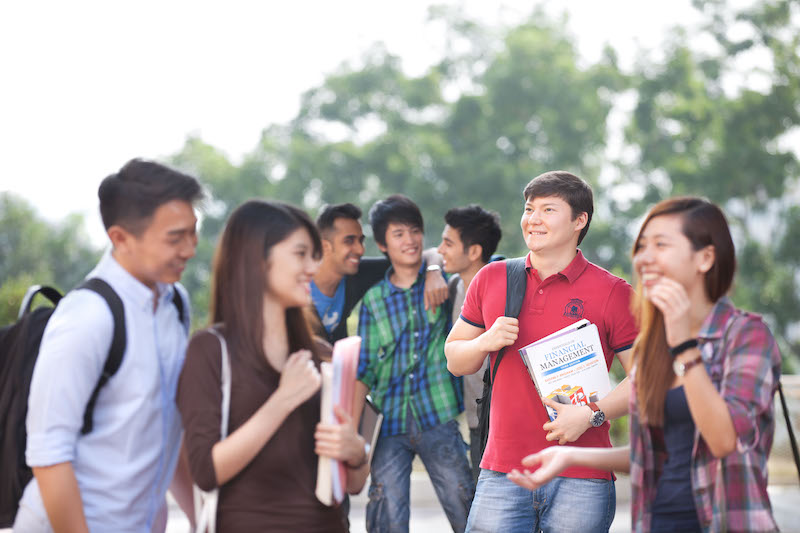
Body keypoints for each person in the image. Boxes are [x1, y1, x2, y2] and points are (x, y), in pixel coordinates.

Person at [509, 197, 782, 533]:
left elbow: (725, 441)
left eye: (661, 245)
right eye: (641, 246)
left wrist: (684, 346)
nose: (644, 257)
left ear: (706, 257)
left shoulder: (745, 335)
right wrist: (570, 458)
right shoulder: (654, 343)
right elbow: (648, 453)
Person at [445, 171, 638, 533]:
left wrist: (591, 414)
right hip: (502, 471)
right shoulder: (493, 278)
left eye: (548, 209)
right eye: (529, 208)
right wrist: (484, 341)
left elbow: (648, 378)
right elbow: (455, 359)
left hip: (583, 474)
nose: (533, 219)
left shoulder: (613, 292)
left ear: (580, 220)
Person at [15, 159, 202, 532]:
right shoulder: (87, 318)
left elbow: (169, 430)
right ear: (121, 238)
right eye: (175, 238)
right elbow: (49, 456)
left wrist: (205, 519)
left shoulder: (175, 304)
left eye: (193, 234)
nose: (190, 250)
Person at [176, 200, 370, 532]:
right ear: (258, 260)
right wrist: (282, 400)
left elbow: (353, 484)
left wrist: (356, 453)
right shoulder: (210, 351)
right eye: (300, 254)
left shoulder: (321, 354)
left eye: (314, 255)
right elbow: (206, 472)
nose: (313, 266)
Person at [354, 194, 474, 533]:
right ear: (382, 243)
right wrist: (353, 431)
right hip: (388, 422)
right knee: (387, 512)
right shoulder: (374, 301)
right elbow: (363, 368)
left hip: (437, 414)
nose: (409, 240)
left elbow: (478, 257)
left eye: (415, 231)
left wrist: (434, 266)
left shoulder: (443, 282)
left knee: (463, 502)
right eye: (398, 234)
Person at [310, 202, 448, 345]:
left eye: (361, 240)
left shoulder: (357, 274)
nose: (360, 250)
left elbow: (424, 255)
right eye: (349, 241)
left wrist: (433, 271)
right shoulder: (296, 285)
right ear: (324, 246)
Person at [436, 204, 502, 482]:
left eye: (448, 243)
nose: (440, 249)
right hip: (477, 420)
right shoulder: (455, 286)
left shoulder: (503, 290)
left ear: (474, 252)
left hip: (505, 423)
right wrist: (430, 269)